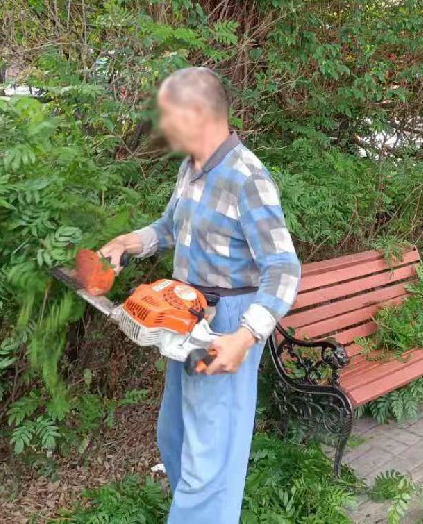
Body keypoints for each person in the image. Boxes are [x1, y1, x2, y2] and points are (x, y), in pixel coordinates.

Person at [99, 67, 301, 524]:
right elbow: (170, 228)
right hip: (184, 317)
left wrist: (246, 337)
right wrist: (129, 242)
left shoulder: (247, 177)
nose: (162, 128)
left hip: (228, 327)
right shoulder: (190, 170)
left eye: (168, 117)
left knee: (210, 462)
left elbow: (284, 268)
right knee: (174, 437)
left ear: (197, 114)